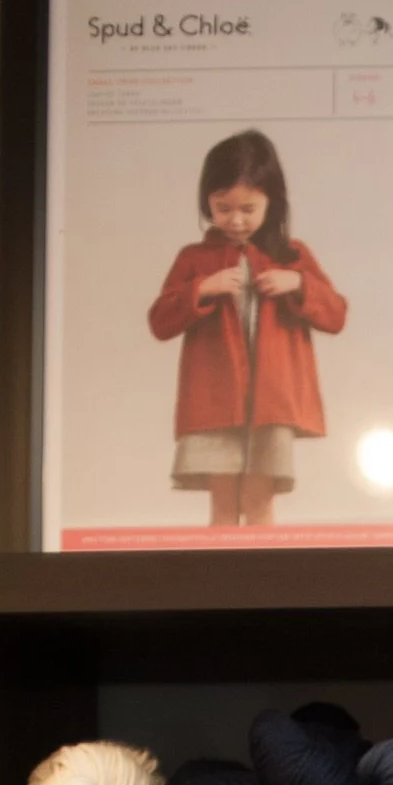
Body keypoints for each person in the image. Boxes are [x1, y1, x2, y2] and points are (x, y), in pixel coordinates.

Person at [147, 129, 346, 526]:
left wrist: (300, 284)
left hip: (271, 405)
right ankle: (215, 585)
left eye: (248, 208)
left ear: (272, 203)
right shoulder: (194, 258)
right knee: (222, 507)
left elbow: (336, 316)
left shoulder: (292, 255)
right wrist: (200, 289)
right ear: (207, 201)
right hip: (214, 404)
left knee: (260, 504)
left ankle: (265, 584)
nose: (235, 220)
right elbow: (160, 321)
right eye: (223, 208)